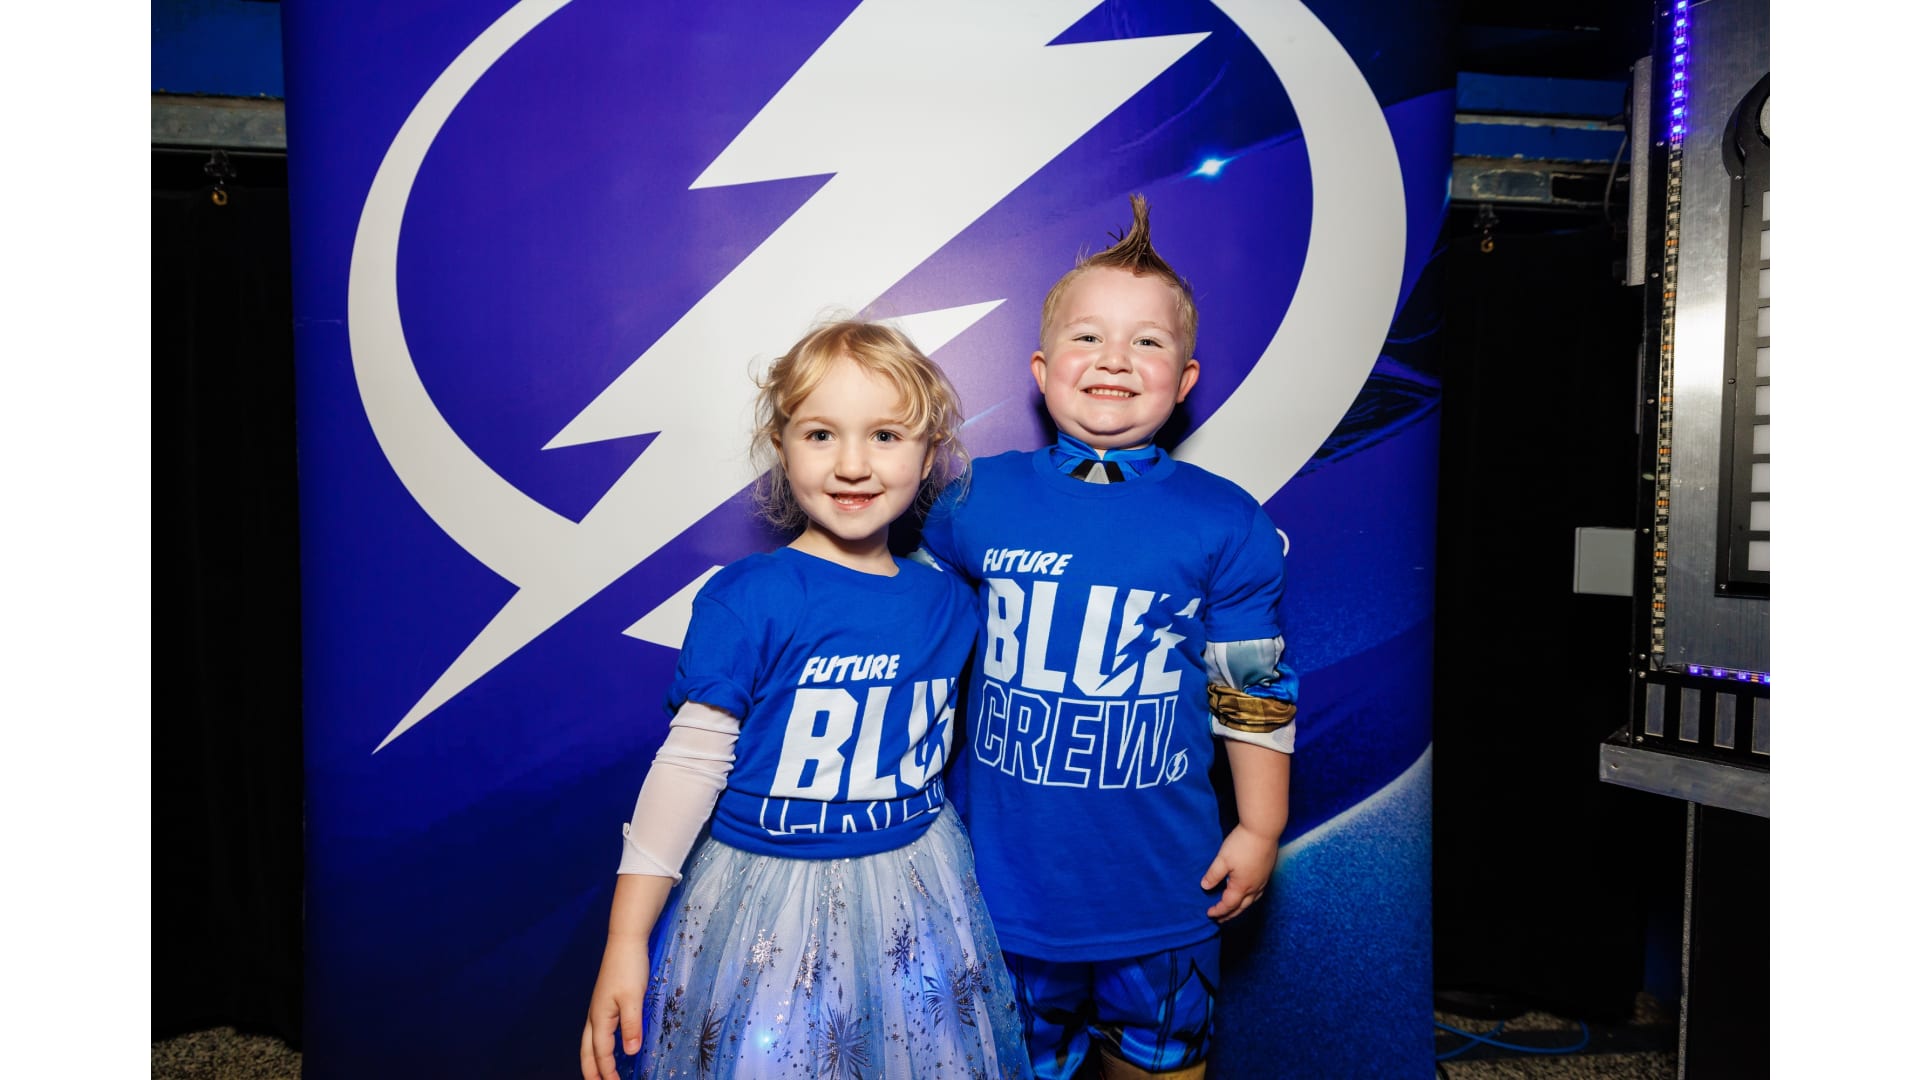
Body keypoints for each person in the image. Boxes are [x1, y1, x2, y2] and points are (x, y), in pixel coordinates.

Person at [580, 320, 1031, 1080]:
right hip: (768, 898)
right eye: (821, 434)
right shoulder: (750, 597)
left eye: (885, 435)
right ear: (781, 446)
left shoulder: (950, 602)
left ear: (929, 454)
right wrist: (626, 939)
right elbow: (688, 767)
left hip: (917, 892)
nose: (852, 464)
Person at [916, 195, 1299, 1080]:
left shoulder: (1226, 521)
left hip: (1164, 887)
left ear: (1185, 380)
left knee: (1161, 1067)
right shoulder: (973, 499)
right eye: (1088, 337)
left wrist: (1262, 825)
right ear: (1042, 369)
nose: (1115, 358)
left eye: (1147, 341)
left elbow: (1251, 683)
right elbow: (914, 638)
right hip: (1003, 887)